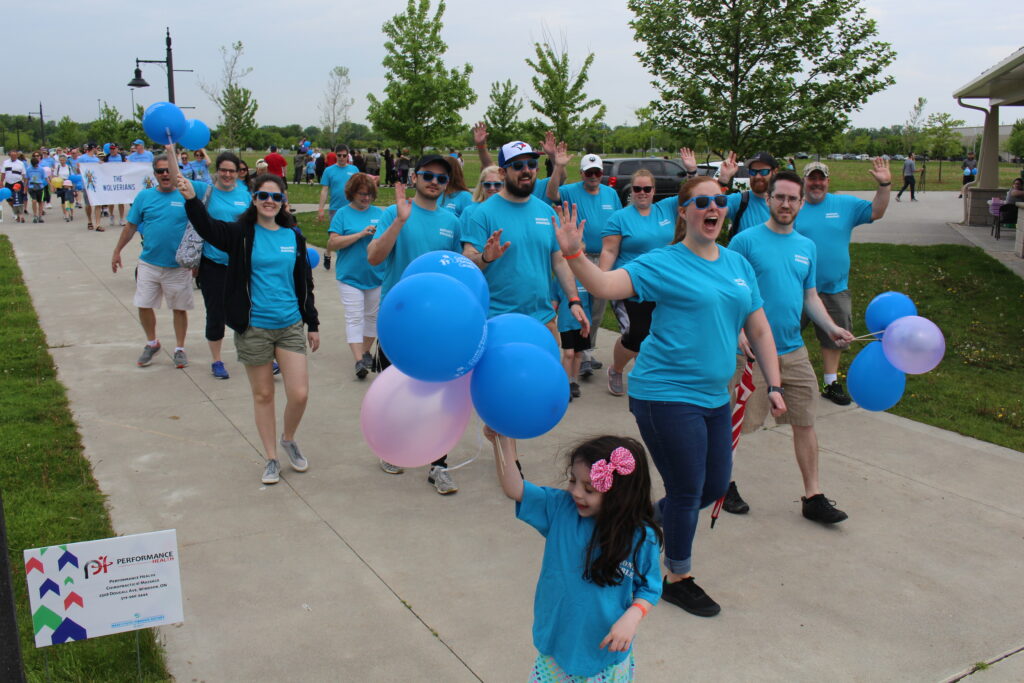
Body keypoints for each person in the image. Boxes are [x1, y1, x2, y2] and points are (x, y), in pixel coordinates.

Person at [552, 177, 785, 617]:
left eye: (719, 200)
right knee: (686, 488)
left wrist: (774, 384)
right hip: (664, 393)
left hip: (715, 395)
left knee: (714, 486)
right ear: (683, 212)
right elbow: (603, 286)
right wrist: (573, 252)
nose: (712, 207)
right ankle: (676, 577)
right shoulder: (664, 262)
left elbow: (759, 327)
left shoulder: (737, 264)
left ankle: (637, 519)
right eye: (701, 202)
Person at [727, 170, 855, 523]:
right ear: (768, 200)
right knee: (734, 424)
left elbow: (809, 296)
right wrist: (737, 330)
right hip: (749, 353)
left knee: (805, 420)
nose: (785, 204)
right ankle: (724, 482)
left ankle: (813, 496)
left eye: (792, 199)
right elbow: (728, 292)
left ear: (801, 203)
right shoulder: (744, 241)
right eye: (779, 197)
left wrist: (831, 327)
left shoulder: (805, 246)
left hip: (793, 351)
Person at [178, 172, 319, 486]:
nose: (270, 201)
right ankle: (271, 457)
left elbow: (304, 282)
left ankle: (288, 438)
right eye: (263, 196)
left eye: (276, 197)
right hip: (254, 326)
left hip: (290, 325)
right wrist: (191, 199)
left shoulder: (293, 236)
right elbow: (208, 228)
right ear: (254, 199)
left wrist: (313, 322)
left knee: (299, 393)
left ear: (284, 201)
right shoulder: (241, 232)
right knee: (264, 394)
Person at [489, 430, 662, 681]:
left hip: (605, 654)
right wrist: (501, 441)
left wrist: (633, 617)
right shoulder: (561, 509)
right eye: (573, 481)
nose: (577, 493)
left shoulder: (641, 537)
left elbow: (649, 588)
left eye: (589, 488)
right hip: (557, 647)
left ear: (619, 495)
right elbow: (515, 488)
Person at [367, 154, 462, 492]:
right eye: (427, 175)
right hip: (399, 319)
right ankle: (392, 446)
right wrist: (399, 222)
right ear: (415, 178)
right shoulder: (394, 213)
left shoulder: (452, 221)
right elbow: (374, 257)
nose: (434, 182)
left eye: (441, 178)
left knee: (441, 393)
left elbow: (460, 270)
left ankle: (439, 463)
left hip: (438, 323)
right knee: (396, 389)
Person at [794, 159, 891, 405]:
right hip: (796, 287)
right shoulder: (794, 206)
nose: (816, 183)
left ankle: (830, 383)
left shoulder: (844, 204)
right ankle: (780, 380)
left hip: (834, 288)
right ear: (804, 181)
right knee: (785, 334)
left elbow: (877, 212)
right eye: (811, 178)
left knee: (833, 339)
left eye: (821, 178)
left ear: (827, 181)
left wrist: (884, 185)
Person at [111, 154, 194, 370]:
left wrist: (197, 262)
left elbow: (199, 227)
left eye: (169, 170)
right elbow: (130, 226)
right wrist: (118, 250)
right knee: (144, 304)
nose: (165, 174)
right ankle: (152, 342)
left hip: (178, 266)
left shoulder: (187, 196)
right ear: (155, 174)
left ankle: (179, 349)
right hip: (149, 263)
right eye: (160, 171)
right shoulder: (144, 197)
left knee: (178, 308)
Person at [599, 168, 674, 397]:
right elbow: (609, 251)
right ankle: (617, 369)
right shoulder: (620, 218)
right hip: (629, 285)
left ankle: (649, 372)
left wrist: (694, 171)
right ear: (631, 191)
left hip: (661, 286)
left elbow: (695, 193)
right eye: (637, 188)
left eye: (647, 189)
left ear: (654, 191)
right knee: (636, 335)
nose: (642, 193)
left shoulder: (666, 209)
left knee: (659, 332)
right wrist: (601, 279)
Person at [179, 151, 253, 380]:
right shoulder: (205, 189)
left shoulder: (245, 193)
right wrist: (172, 151)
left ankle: (258, 356)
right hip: (214, 264)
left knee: (249, 311)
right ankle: (217, 360)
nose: (228, 174)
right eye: (224, 170)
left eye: (232, 171)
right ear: (217, 171)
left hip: (241, 264)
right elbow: (177, 179)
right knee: (217, 313)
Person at [556, 154, 623, 378]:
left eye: (597, 172)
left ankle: (586, 351)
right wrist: (557, 165)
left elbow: (619, 223)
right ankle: (578, 352)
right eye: (589, 173)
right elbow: (551, 193)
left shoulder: (611, 194)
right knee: (578, 305)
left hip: (605, 258)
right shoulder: (569, 191)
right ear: (581, 174)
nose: (593, 177)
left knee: (597, 309)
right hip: (580, 258)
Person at [327, 173, 384, 379]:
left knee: (372, 317)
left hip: (376, 275)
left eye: (369, 194)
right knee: (354, 317)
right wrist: (360, 234)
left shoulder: (381, 213)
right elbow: (332, 243)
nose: (366, 198)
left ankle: (365, 350)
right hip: (350, 276)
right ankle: (358, 360)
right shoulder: (342, 214)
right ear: (352, 193)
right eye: (362, 194)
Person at [716, 151, 779, 235]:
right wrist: (723, 180)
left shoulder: (785, 203)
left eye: (763, 172)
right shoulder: (739, 201)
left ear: (774, 172)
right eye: (753, 172)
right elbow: (710, 208)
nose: (757, 176)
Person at [318, 145, 359, 270]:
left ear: (348, 156)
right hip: (335, 209)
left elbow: (358, 188)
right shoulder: (329, 171)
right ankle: (328, 253)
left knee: (350, 234)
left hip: (351, 208)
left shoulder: (354, 169)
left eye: (344, 155)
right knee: (334, 237)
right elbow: (324, 190)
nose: (342, 158)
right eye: (339, 155)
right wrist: (321, 209)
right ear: (335, 155)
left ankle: (346, 261)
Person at [551, 277, 591, 400]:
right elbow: (554, 302)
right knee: (569, 354)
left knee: (578, 354)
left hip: (582, 323)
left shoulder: (586, 279)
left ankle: (574, 382)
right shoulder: (559, 280)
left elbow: (593, 302)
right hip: (566, 323)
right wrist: (551, 319)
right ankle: (565, 383)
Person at [3, 149, 27, 222]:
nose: (13, 156)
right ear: (9, 155)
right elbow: (3, 173)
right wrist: (1, 182)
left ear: (17, 155)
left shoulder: (20, 163)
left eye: (15, 155)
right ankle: (15, 210)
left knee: (19, 199)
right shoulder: (5, 162)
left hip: (18, 183)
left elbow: (24, 175)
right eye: (12, 155)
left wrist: (25, 186)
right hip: (8, 183)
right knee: (9, 199)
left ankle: (20, 214)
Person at [25, 153, 47, 223]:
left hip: (40, 186)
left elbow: (45, 177)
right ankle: (35, 215)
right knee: (34, 201)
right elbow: (26, 179)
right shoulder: (28, 169)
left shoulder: (41, 169)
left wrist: (50, 185)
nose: (35, 166)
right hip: (32, 186)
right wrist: (25, 188)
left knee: (40, 202)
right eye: (34, 165)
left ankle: (40, 216)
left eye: (36, 165)